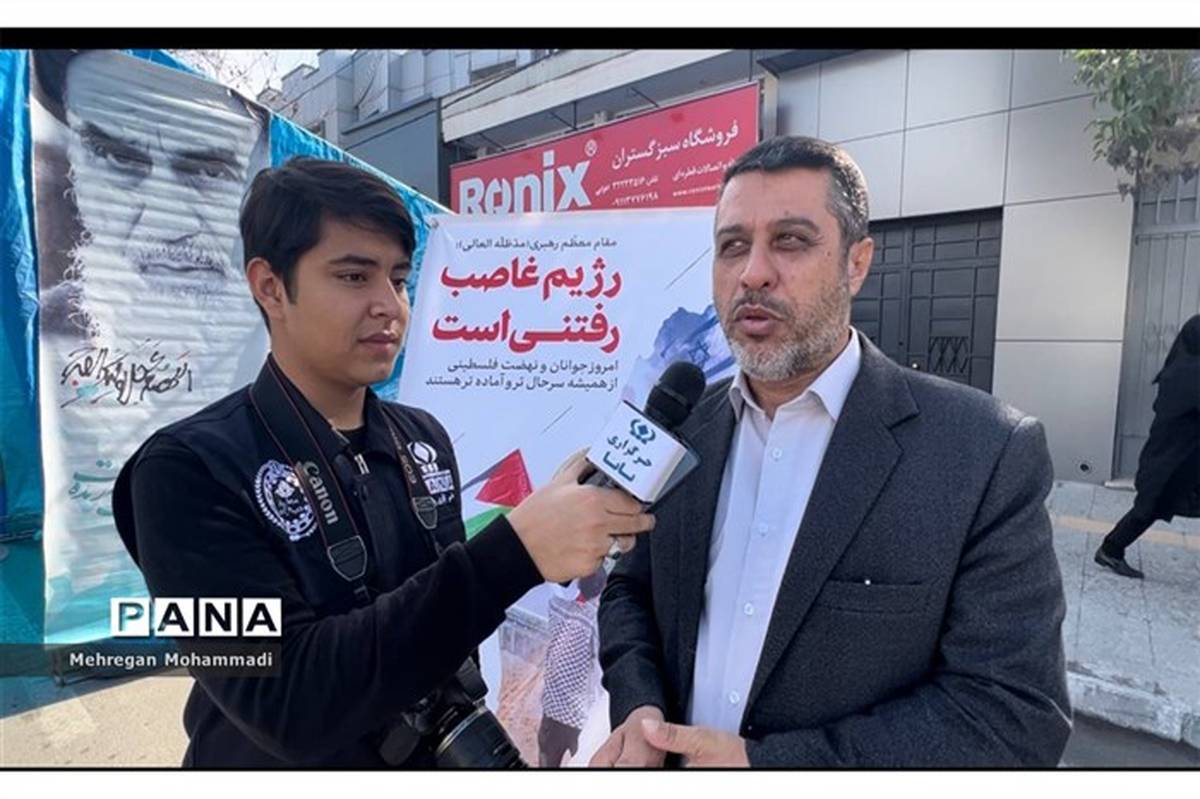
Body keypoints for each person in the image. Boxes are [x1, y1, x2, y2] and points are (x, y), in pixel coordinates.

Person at [110, 157, 655, 767]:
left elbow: (440, 634)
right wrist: (515, 552)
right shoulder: (184, 472)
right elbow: (286, 702)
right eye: (353, 277)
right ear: (269, 286)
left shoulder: (423, 440)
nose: (389, 306)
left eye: (398, 279)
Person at [592, 136, 1071, 768]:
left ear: (857, 263)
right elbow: (629, 592)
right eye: (732, 245)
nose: (753, 273)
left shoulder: (984, 453)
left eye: (790, 240)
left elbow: (1013, 715)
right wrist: (640, 706)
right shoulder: (685, 428)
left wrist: (769, 766)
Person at [32, 49, 269, 345]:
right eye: (120, 159)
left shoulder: (283, 336)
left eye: (209, 172)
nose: (169, 227)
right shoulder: (39, 332)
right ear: (76, 172)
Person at [1095, 314, 1200, 579]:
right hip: (1173, 461)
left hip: (1180, 459)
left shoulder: (1179, 369)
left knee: (1154, 506)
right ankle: (1110, 549)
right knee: (1149, 508)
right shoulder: (1190, 374)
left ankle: (1111, 549)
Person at [537, 568, 606, 767]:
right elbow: (599, 666)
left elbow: (559, 594)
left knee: (547, 760)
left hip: (551, 708)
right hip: (578, 716)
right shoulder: (595, 620)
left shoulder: (556, 606)